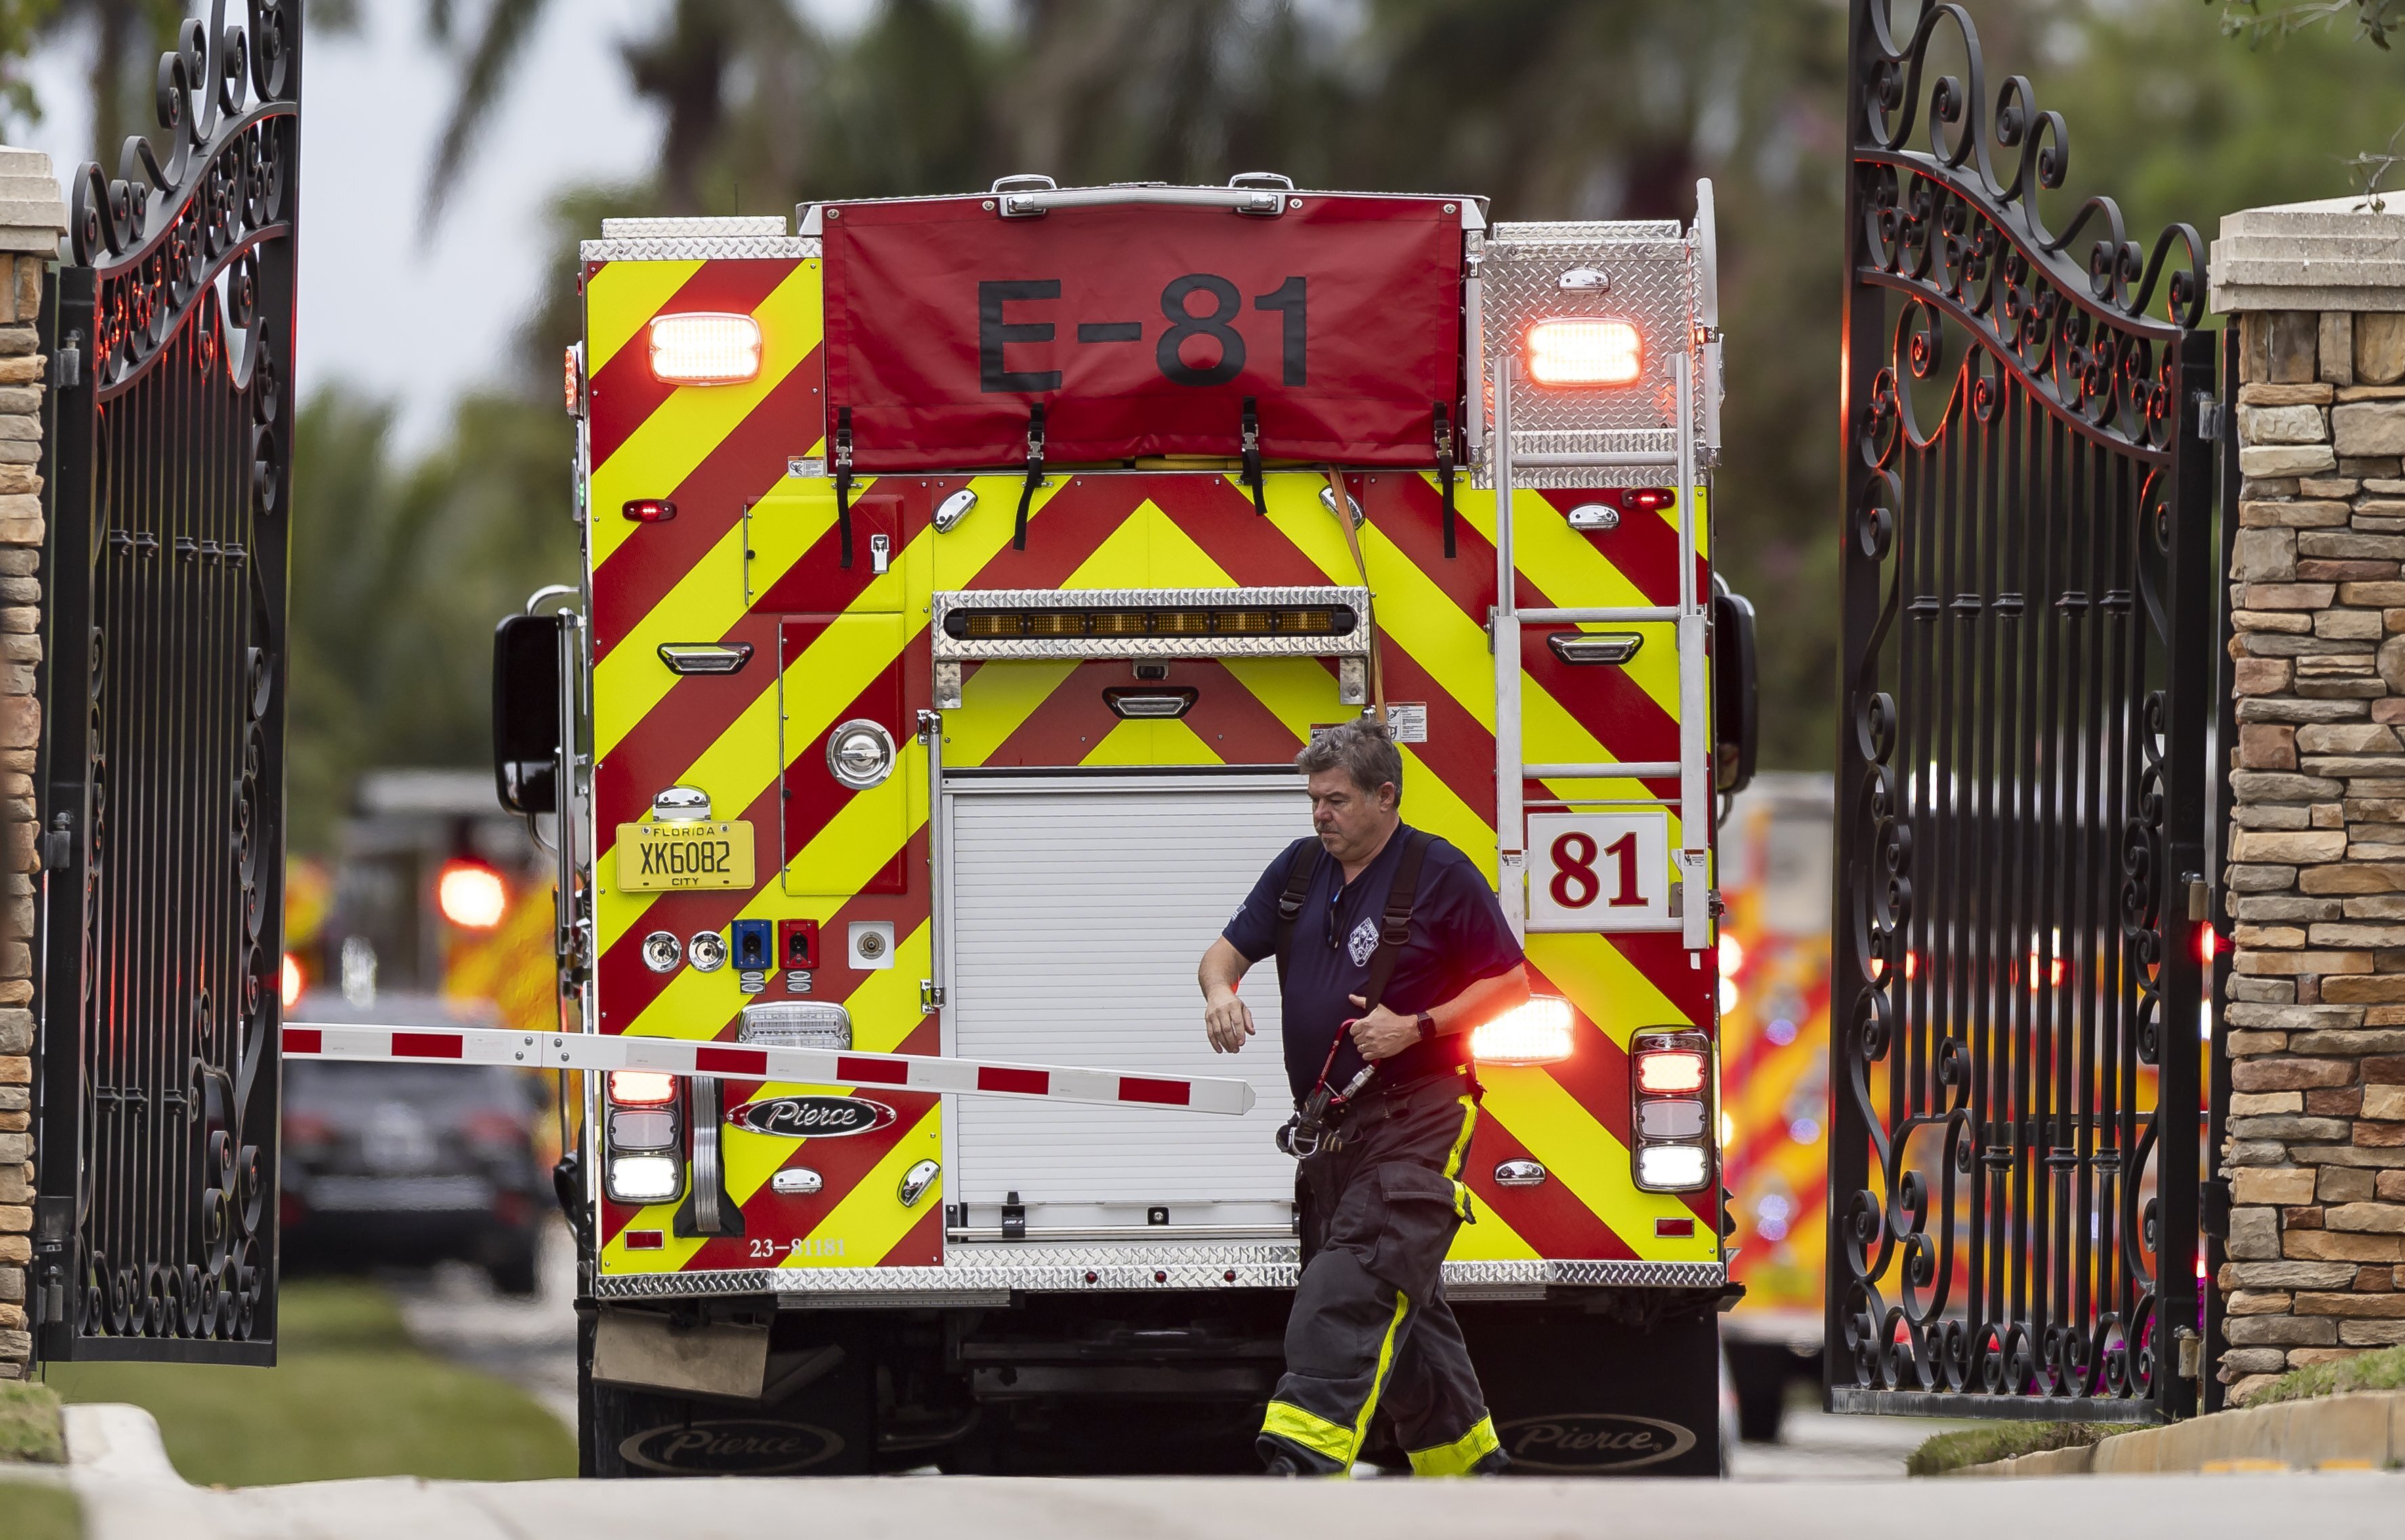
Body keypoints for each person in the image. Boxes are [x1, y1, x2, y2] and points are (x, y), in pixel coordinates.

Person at [1198, 718, 1528, 1477]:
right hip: (1333, 1134)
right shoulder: (1297, 868)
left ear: (1387, 795)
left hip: (1421, 1108)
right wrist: (1220, 994)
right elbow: (1221, 956)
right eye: (1314, 799)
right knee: (1404, 1296)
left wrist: (1418, 1026)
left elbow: (1513, 984)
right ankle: (1472, 1470)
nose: (1321, 815)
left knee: (1352, 1279)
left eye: (1337, 800)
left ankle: (1303, 1456)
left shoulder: (1438, 871)